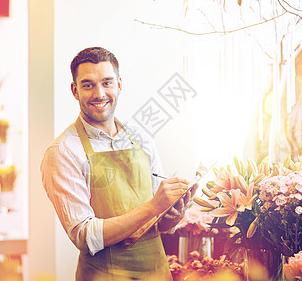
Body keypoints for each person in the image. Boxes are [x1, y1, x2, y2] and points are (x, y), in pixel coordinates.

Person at [40, 47, 196, 280]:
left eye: (107, 83)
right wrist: (154, 206)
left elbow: (156, 222)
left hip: (157, 273)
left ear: (119, 85)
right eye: (88, 85)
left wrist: (172, 214)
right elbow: (85, 236)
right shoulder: (62, 152)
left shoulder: (141, 138)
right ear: (75, 90)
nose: (99, 93)